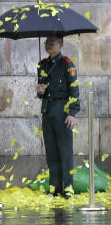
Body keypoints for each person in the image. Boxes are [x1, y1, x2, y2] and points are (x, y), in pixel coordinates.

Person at [37, 34, 79, 196]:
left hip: (62, 109)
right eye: (47, 42)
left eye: (52, 43)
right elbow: (42, 89)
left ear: (61, 45)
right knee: (52, 152)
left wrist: (72, 113)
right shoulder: (42, 65)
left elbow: (74, 90)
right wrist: (40, 91)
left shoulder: (67, 64)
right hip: (47, 109)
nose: (48, 45)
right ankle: (54, 188)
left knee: (65, 152)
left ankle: (68, 189)